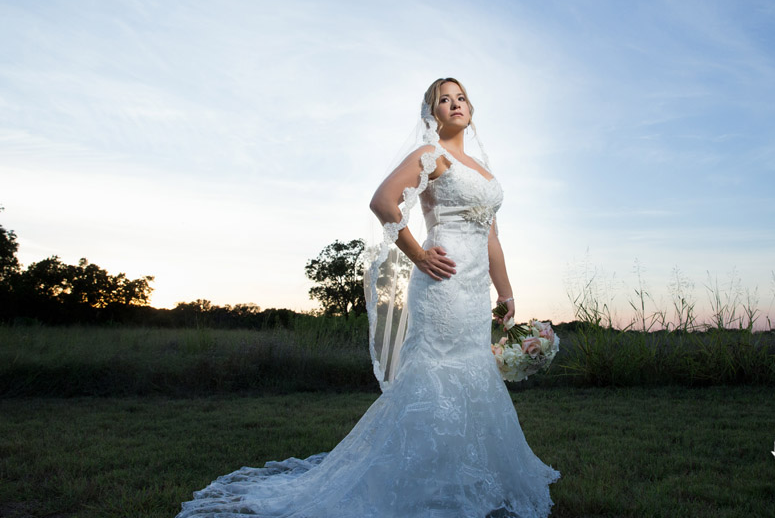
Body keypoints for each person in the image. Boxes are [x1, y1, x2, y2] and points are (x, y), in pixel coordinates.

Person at [175, 78, 561, 518]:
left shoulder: (486, 173)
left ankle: (469, 474)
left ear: (471, 109)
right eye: (443, 100)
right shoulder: (429, 156)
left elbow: (492, 238)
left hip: (475, 293)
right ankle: (417, 479)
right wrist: (418, 255)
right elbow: (382, 202)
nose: (454, 104)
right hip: (442, 283)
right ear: (431, 113)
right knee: (435, 374)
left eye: (461, 98)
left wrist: (506, 291)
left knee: (472, 371)